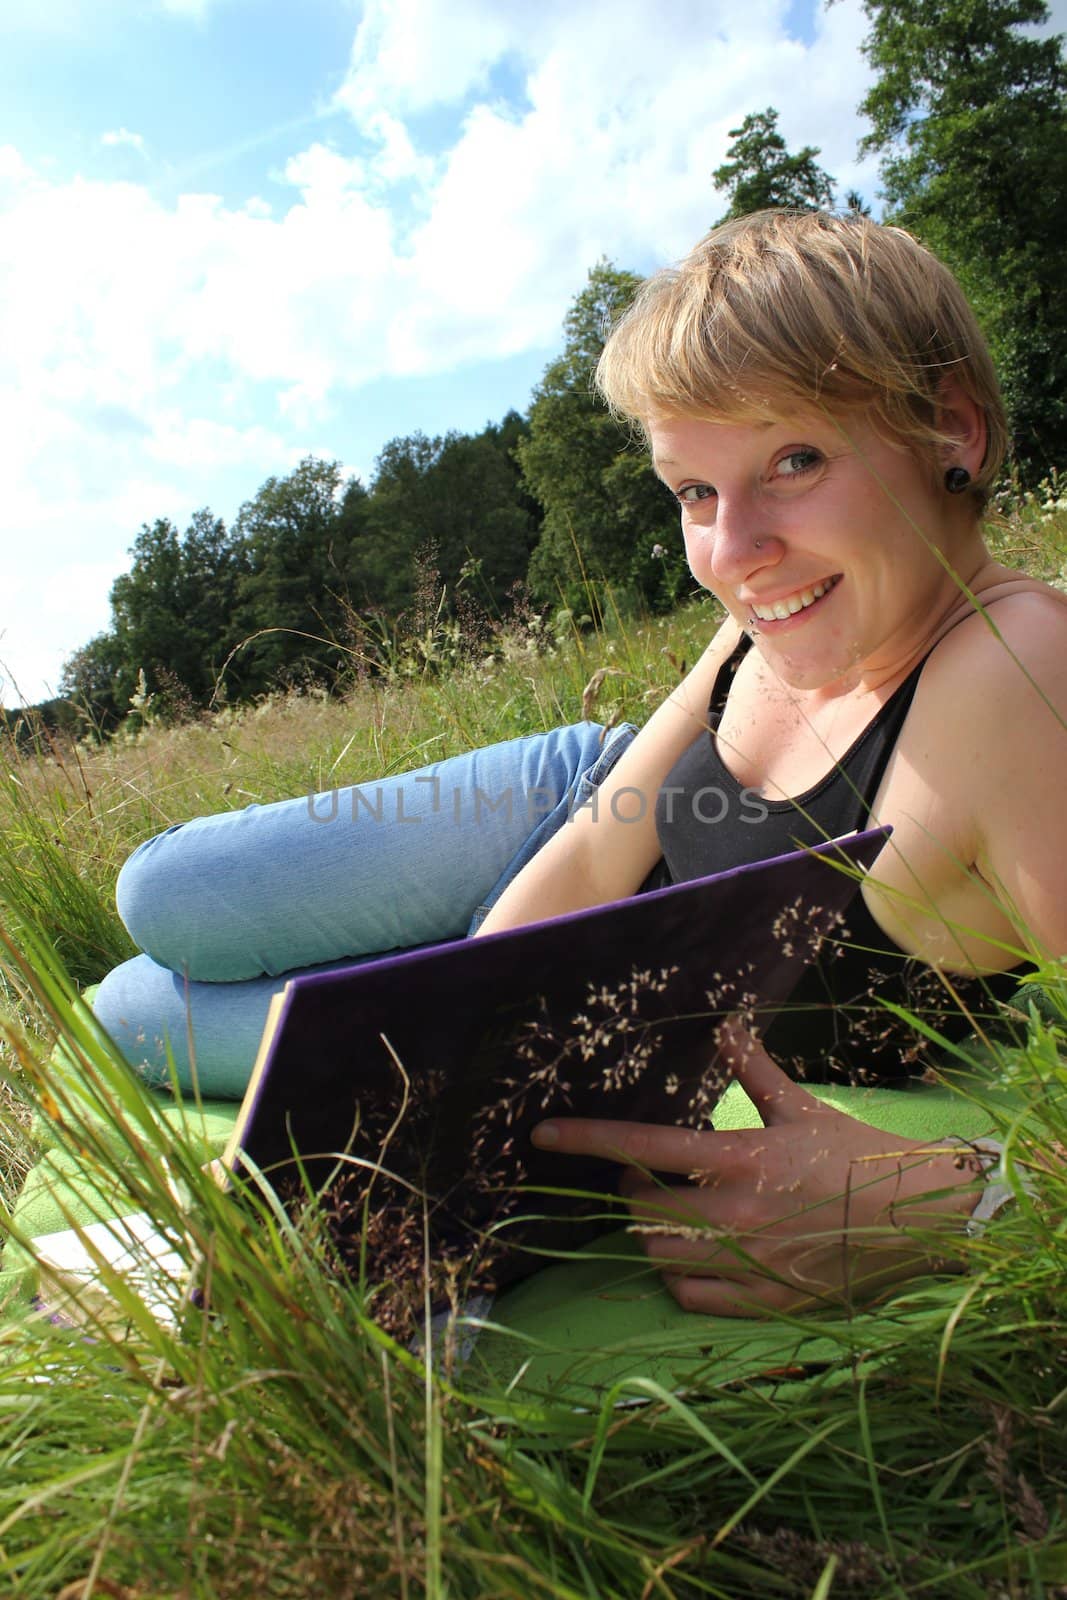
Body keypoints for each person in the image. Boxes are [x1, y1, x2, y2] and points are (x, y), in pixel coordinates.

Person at [93, 209, 1067, 1316]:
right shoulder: (777, 609)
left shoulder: (1015, 674)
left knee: (135, 1012)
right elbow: (592, 853)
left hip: (620, 968)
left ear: (952, 431)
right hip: (591, 807)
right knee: (163, 893)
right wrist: (444, 1045)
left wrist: (950, 1206)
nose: (732, 553)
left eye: (792, 458)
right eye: (693, 492)